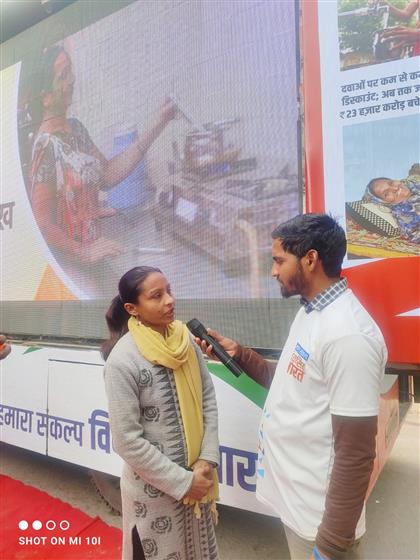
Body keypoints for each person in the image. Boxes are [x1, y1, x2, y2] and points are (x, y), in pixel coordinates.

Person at [197, 214, 387, 560]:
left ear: (310, 259)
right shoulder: (313, 312)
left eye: (279, 260)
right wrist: (239, 354)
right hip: (299, 509)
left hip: (319, 523)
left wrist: (329, 546)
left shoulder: (348, 337)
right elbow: (292, 384)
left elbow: (356, 454)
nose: (273, 271)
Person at [102, 266, 220, 560]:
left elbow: (207, 398)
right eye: (157, 296)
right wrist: (183, 483)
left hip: (198, 479)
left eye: (169, 290)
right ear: (133, 308)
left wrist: (206, 458)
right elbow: (126, 440)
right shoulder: (123, 360)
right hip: (154, 497)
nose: (169, 300)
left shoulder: (186, 342)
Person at [27, 45, 176, 264]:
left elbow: (107, 174)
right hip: (72, 265)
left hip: (95, 252)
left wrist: (159, 123)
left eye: (71, 73)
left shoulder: (76, 128)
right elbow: (43, 223)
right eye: (63, 76)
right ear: (45, 97)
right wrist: (82, 252)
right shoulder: (45, 146)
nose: (71, 81)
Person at [362, 174, 420, 244]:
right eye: (386, 193)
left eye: (391, 183)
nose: (395, 188)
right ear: (385, 202)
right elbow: (415, 237)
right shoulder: (404, 215)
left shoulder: (414, 184)